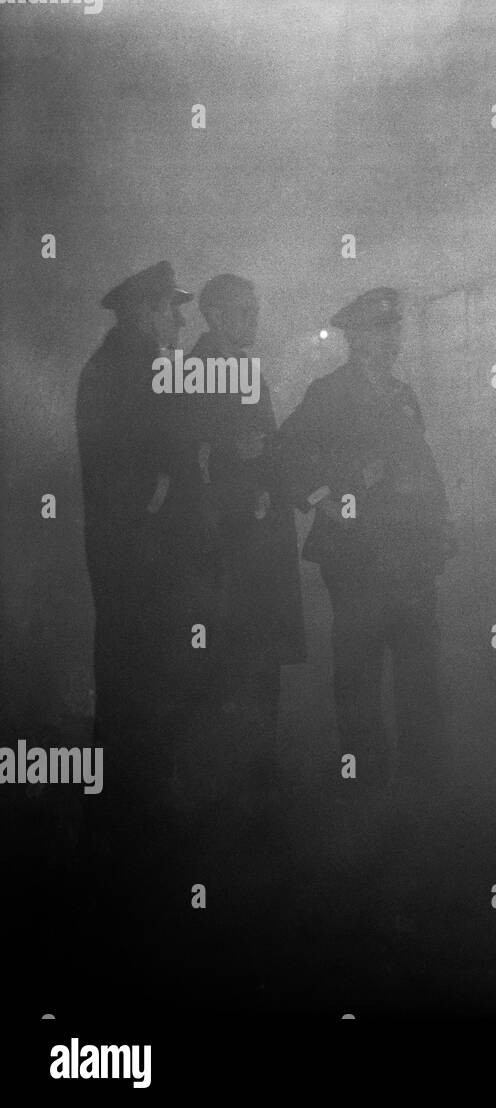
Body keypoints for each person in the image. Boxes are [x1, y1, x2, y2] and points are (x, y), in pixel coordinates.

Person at [279, 287, 456, 801]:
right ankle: (365, 777)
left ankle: (427, 776)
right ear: (354, 338)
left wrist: (441, 518)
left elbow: (421, 464)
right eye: (381, 329)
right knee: (358, 666)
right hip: (357, 555)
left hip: (410, 551)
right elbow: (288, 454)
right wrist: (325, 497)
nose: (392, 338)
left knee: (419, 662)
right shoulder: (328, 393)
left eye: (394, 328)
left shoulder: (401, 394)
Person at [171, 274, 306, 816]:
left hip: (260, 536)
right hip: (225, 542)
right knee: (227, 650)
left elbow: (263, 443)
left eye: (255, 309)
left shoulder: (246, 368)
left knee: (261, 649)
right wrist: (235, 457)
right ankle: (223, 770)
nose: (254, 319)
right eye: (243, 311)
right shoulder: (193, 372)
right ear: (216, 317)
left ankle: (258, 761)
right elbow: (187, 458)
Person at [75, 260, 205, 821]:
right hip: (141, 548)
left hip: (143, 544)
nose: (177, 320)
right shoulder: (123, 368)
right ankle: (136, 796)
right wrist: (153, 505)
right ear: (146, 309)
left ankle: (137, 788)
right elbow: (126, 462)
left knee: (141, 664)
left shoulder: (131, 364)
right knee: (140, 664)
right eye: (170, 308)